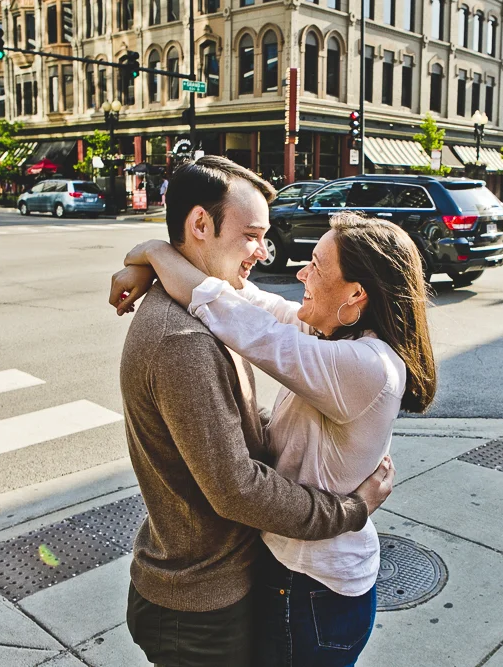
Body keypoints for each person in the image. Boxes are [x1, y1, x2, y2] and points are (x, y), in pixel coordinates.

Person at [111, 175, 436, 667]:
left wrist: (156, 254)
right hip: (292, 575)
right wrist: (154, 256)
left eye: (317, 266)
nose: (299, 271)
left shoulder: (365, 365)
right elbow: (246, 302)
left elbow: (241, 318)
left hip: (312, 586)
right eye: (252, 235)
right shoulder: (327, 336)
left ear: (355, 296)